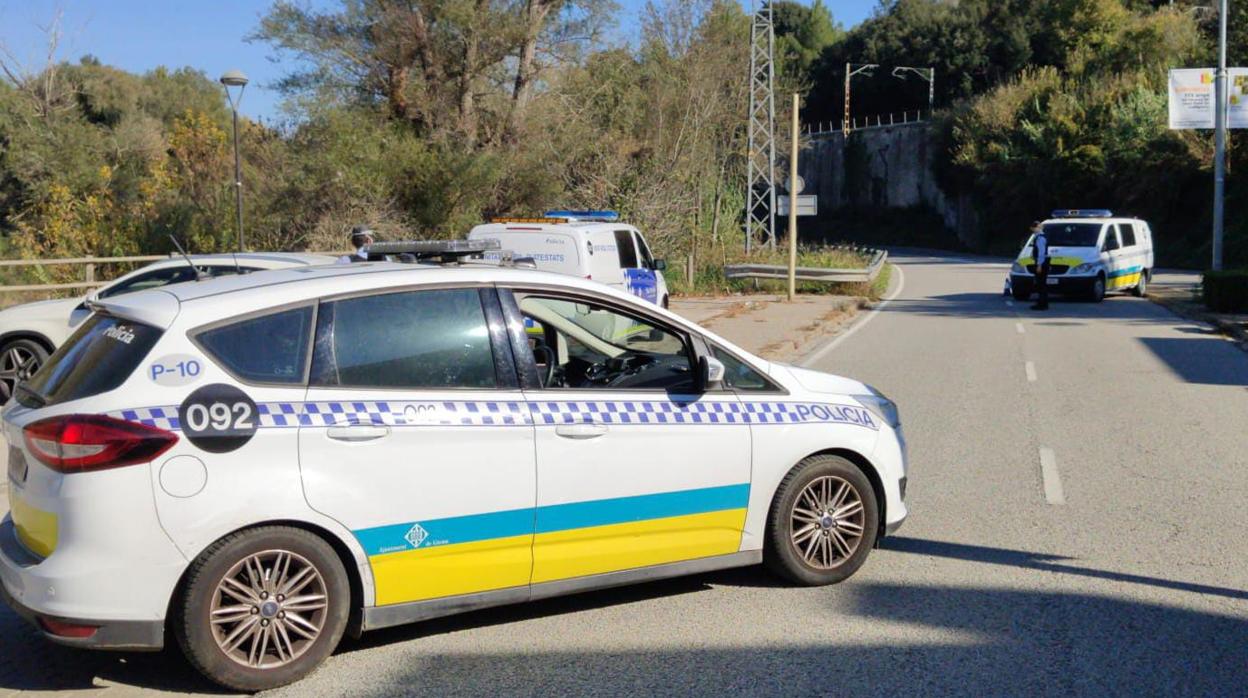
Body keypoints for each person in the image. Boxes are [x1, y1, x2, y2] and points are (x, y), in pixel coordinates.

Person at [1030, 221, 1050, 310]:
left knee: (1041, 284)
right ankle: (1042, 303)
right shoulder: (1038, 237)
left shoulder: (1040, 238)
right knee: (1041, 284)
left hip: (1042, 263)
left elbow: (1041, 253)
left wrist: (1039, 265)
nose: (1034, 229)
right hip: (1042, 262)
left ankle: (1042, 304)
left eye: (1035, 227)